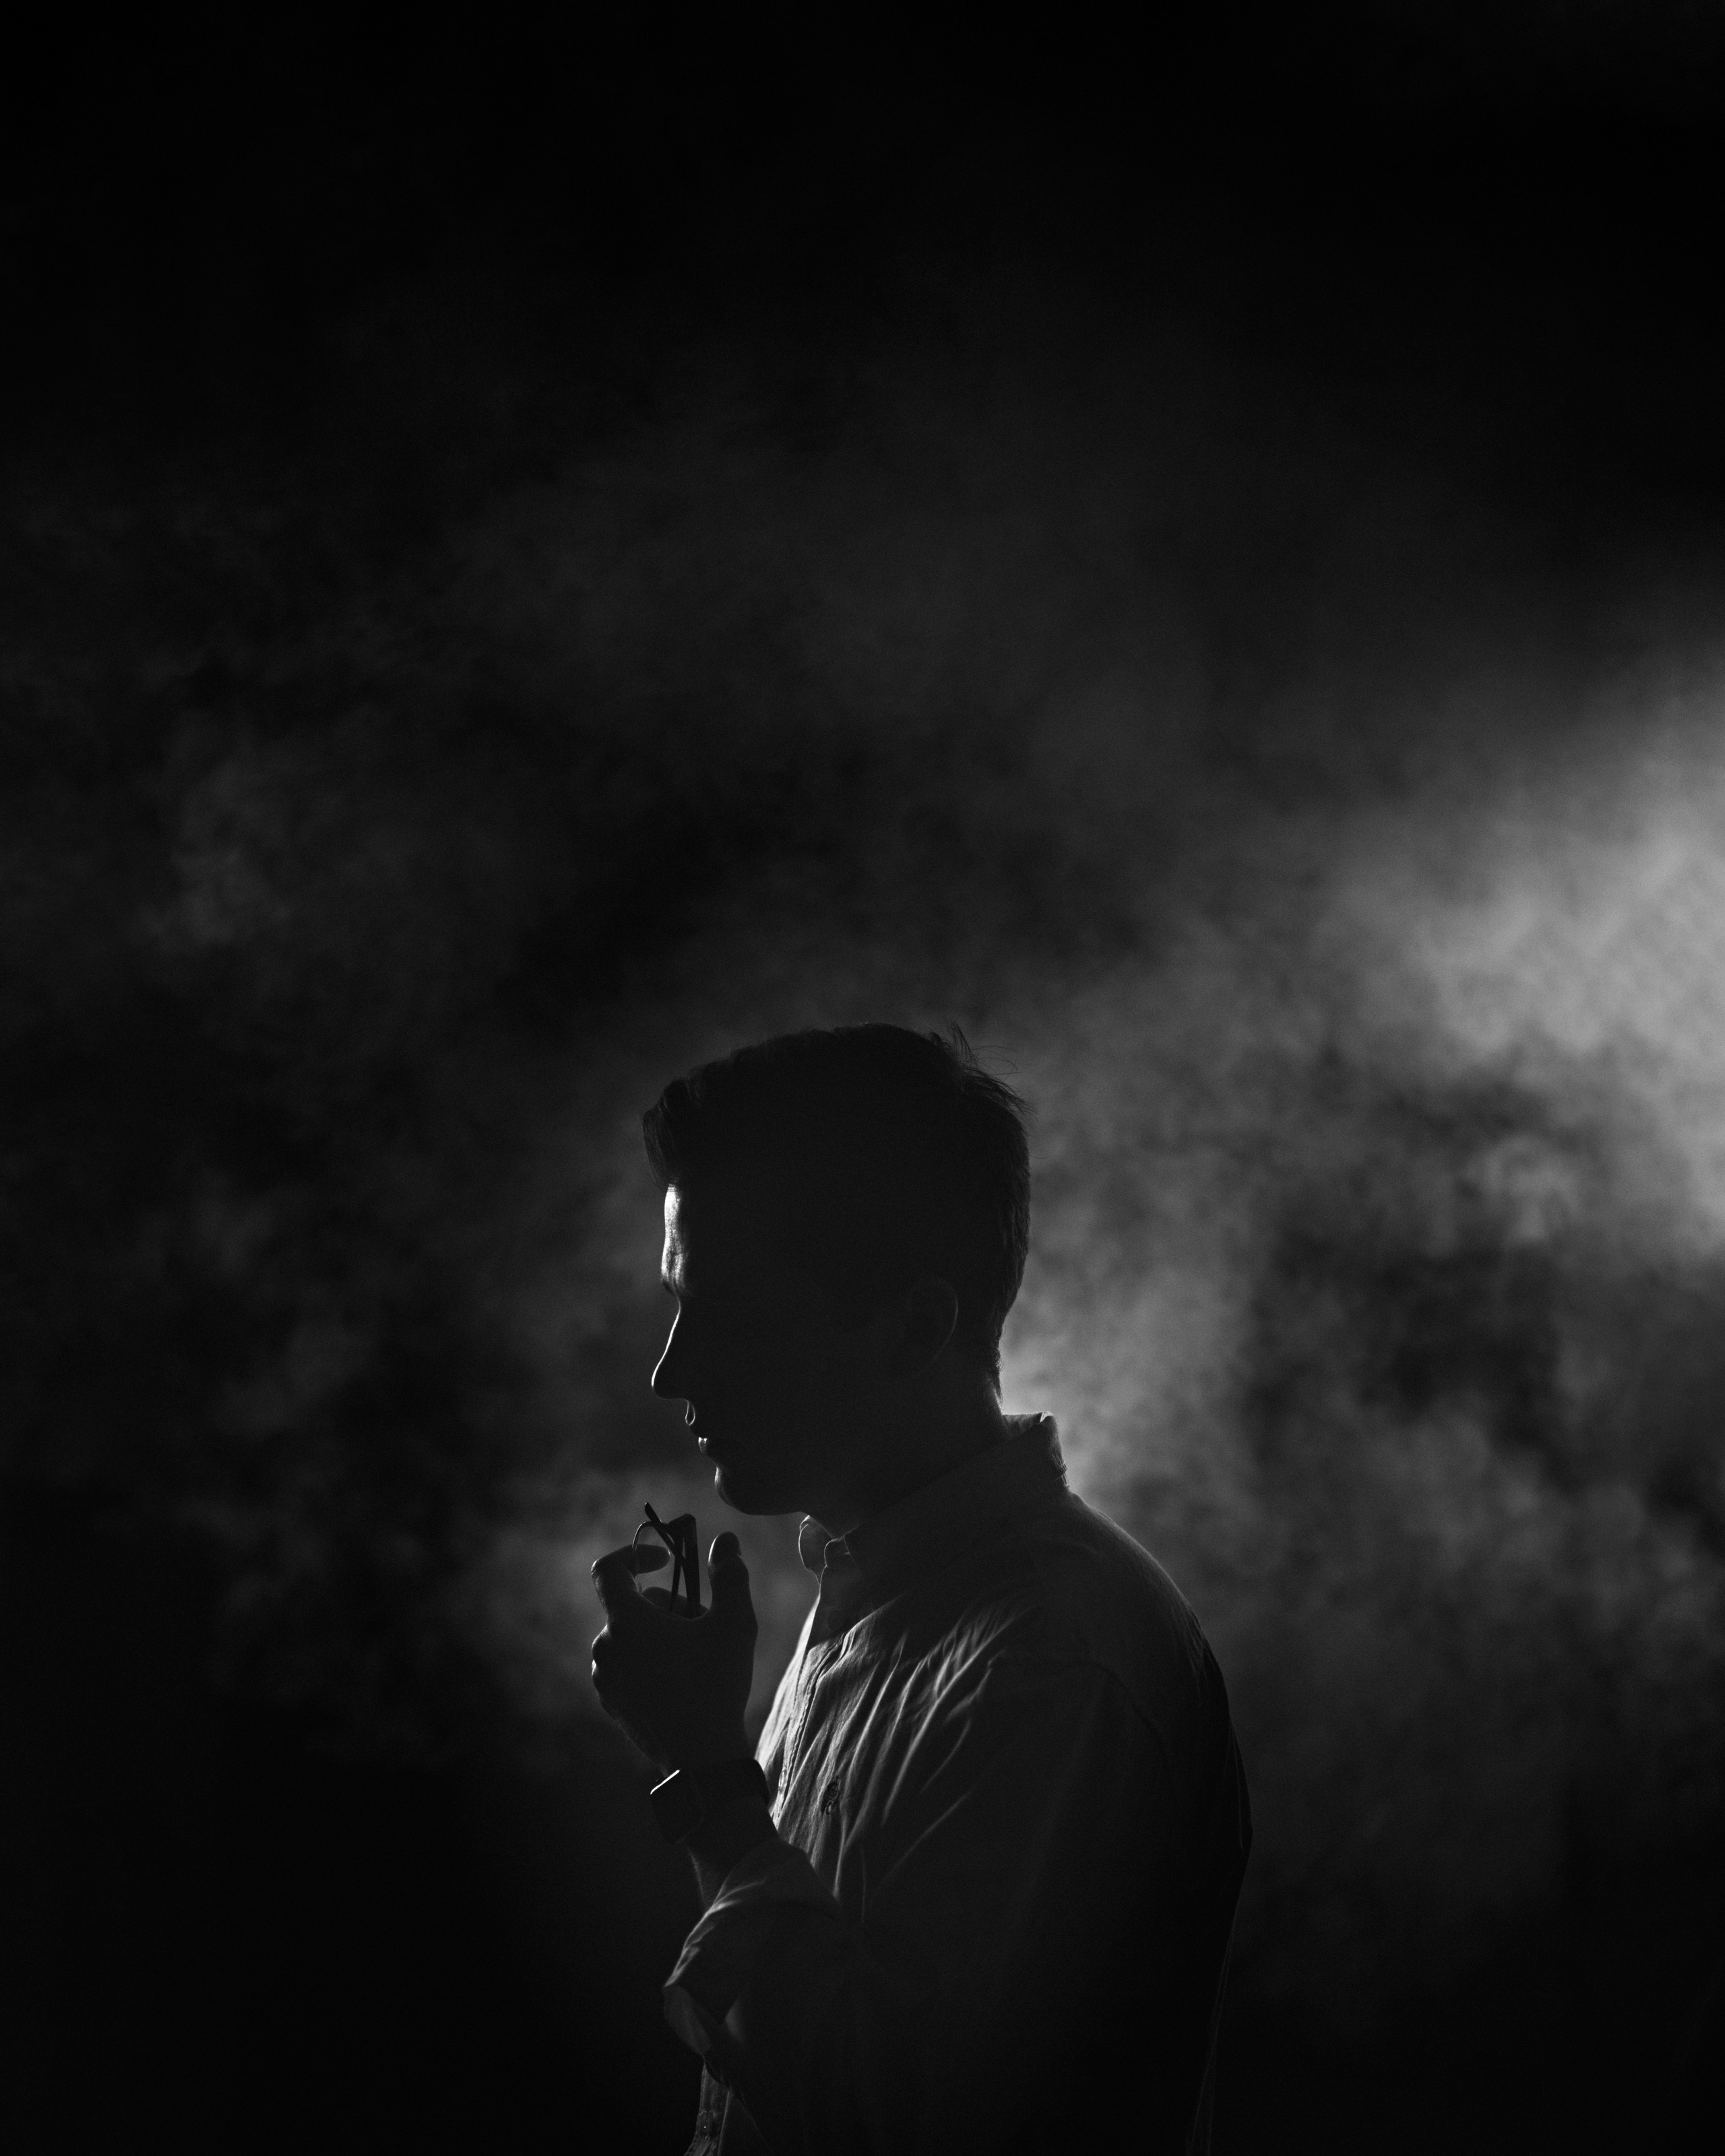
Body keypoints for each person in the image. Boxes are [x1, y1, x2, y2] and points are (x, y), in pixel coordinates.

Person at [590, 1024, 1251, 2154]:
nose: (670, 1370)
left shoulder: (1052, 1659)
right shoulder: (881, 1594)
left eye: (735, 1316)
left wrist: (704, 1773)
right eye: (676, 1300)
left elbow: (891, 2119)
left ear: (917, 1327)